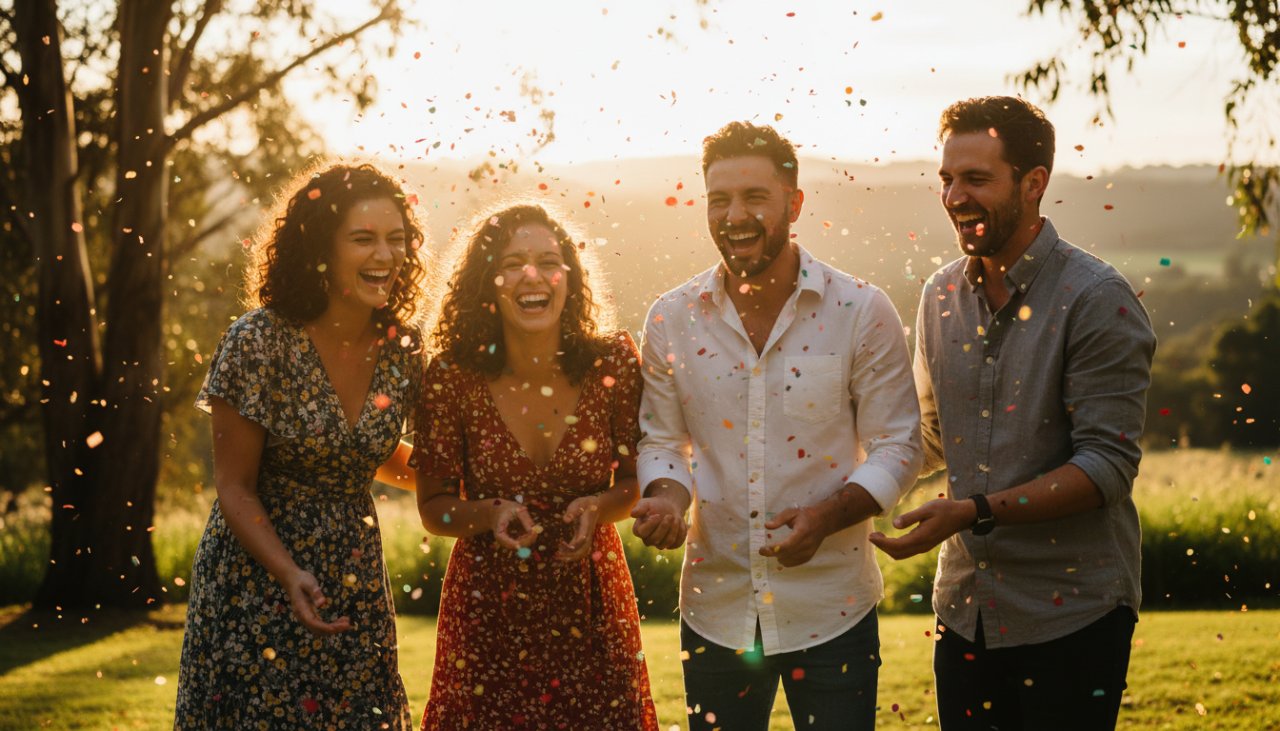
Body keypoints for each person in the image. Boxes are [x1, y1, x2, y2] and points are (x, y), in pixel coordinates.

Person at [869, 96, 1157, 730]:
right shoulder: (940, 295)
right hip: (964, 609)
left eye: (976, 179)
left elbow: (1106, 468)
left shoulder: (1097, 300)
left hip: (1073, 614)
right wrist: (836, 479)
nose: (955, 197)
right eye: (947, 179)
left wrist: (972, 511)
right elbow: (931, 435)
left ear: (1034, 183)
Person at [631, 121, 923, 731]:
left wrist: (826, 517)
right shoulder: (671, 317)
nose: (734, 215)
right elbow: (662, 443)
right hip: (715, 607)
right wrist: (667, 499)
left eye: (754, 197)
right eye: (719, 199)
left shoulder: (860, 310)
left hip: (834, 608)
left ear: (794, 204)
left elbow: (898, 445)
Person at [174, 163, 428, 729]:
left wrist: (481, 481)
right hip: (257, 579)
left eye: (396, 238)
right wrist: (289, 572)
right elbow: (234, 486)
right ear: (320, 249)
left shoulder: (403, 349)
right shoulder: (259, 341)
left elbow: (367, 453)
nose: (385, 255)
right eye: (363, 239)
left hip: (354, 574)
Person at [410, 203, 658, 730]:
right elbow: (433, 507)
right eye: (513, 263)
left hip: (591, 600)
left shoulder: (613, 361)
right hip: (488, 611)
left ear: (569, 278)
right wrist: (489, 513)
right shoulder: (451, 375)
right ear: (487, 283)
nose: (532, 276)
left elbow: (636, 481)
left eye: (548, 262)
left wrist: (599, 507)